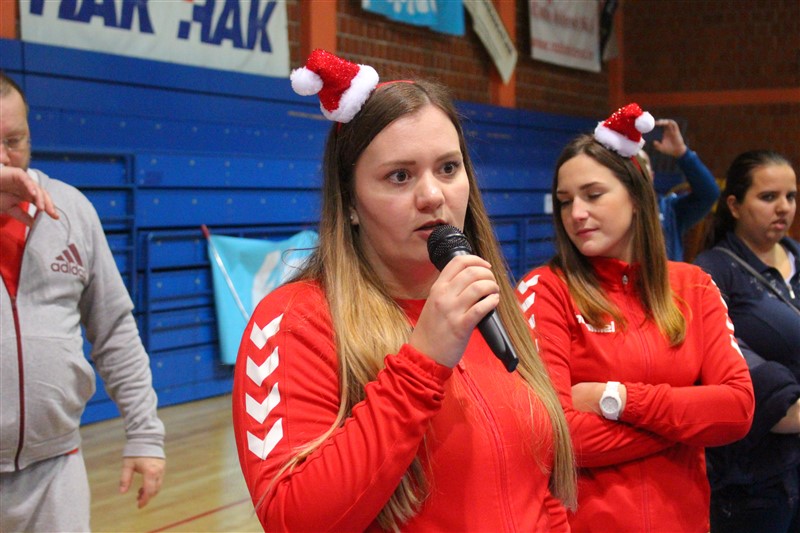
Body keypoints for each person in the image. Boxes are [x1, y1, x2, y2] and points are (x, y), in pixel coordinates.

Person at [231, 49, 576, 532]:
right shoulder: (293, 322)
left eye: (448, 168)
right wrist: (423, 362)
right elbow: (294, 519)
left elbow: (539, 488)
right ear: (350, 202)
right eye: (400, 176)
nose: (433, 195)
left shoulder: (496, 307)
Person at [516, 103, 755, 532]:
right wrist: (688, 423)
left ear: (636, 197)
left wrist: (619, 399)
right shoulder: (545, 290)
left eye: (593, 195)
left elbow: (737, 409)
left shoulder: (695, 287)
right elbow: (554, 439)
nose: (576, 214)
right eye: (565, 201)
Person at [0, 72, 166, 531]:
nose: (4, 158)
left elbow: (115, 330)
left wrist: (145, 434)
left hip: (55, 469)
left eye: (14, 141)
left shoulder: (71, 210)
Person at [694, 150, 800, 533]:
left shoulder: (796, 256)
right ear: (735, 206)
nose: (783, 207)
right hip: (754, 476)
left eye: (790, 196)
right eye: (768, 197)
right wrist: (783, 402)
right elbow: (732, 363)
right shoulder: (712, 271)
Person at [636, 118, 719, 261]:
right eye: (632, 163)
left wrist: (682, 153)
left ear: (652, 176)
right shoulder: (611, 210)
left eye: (643, 163)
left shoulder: (670, 209)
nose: (638, 168)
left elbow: (709, 194)